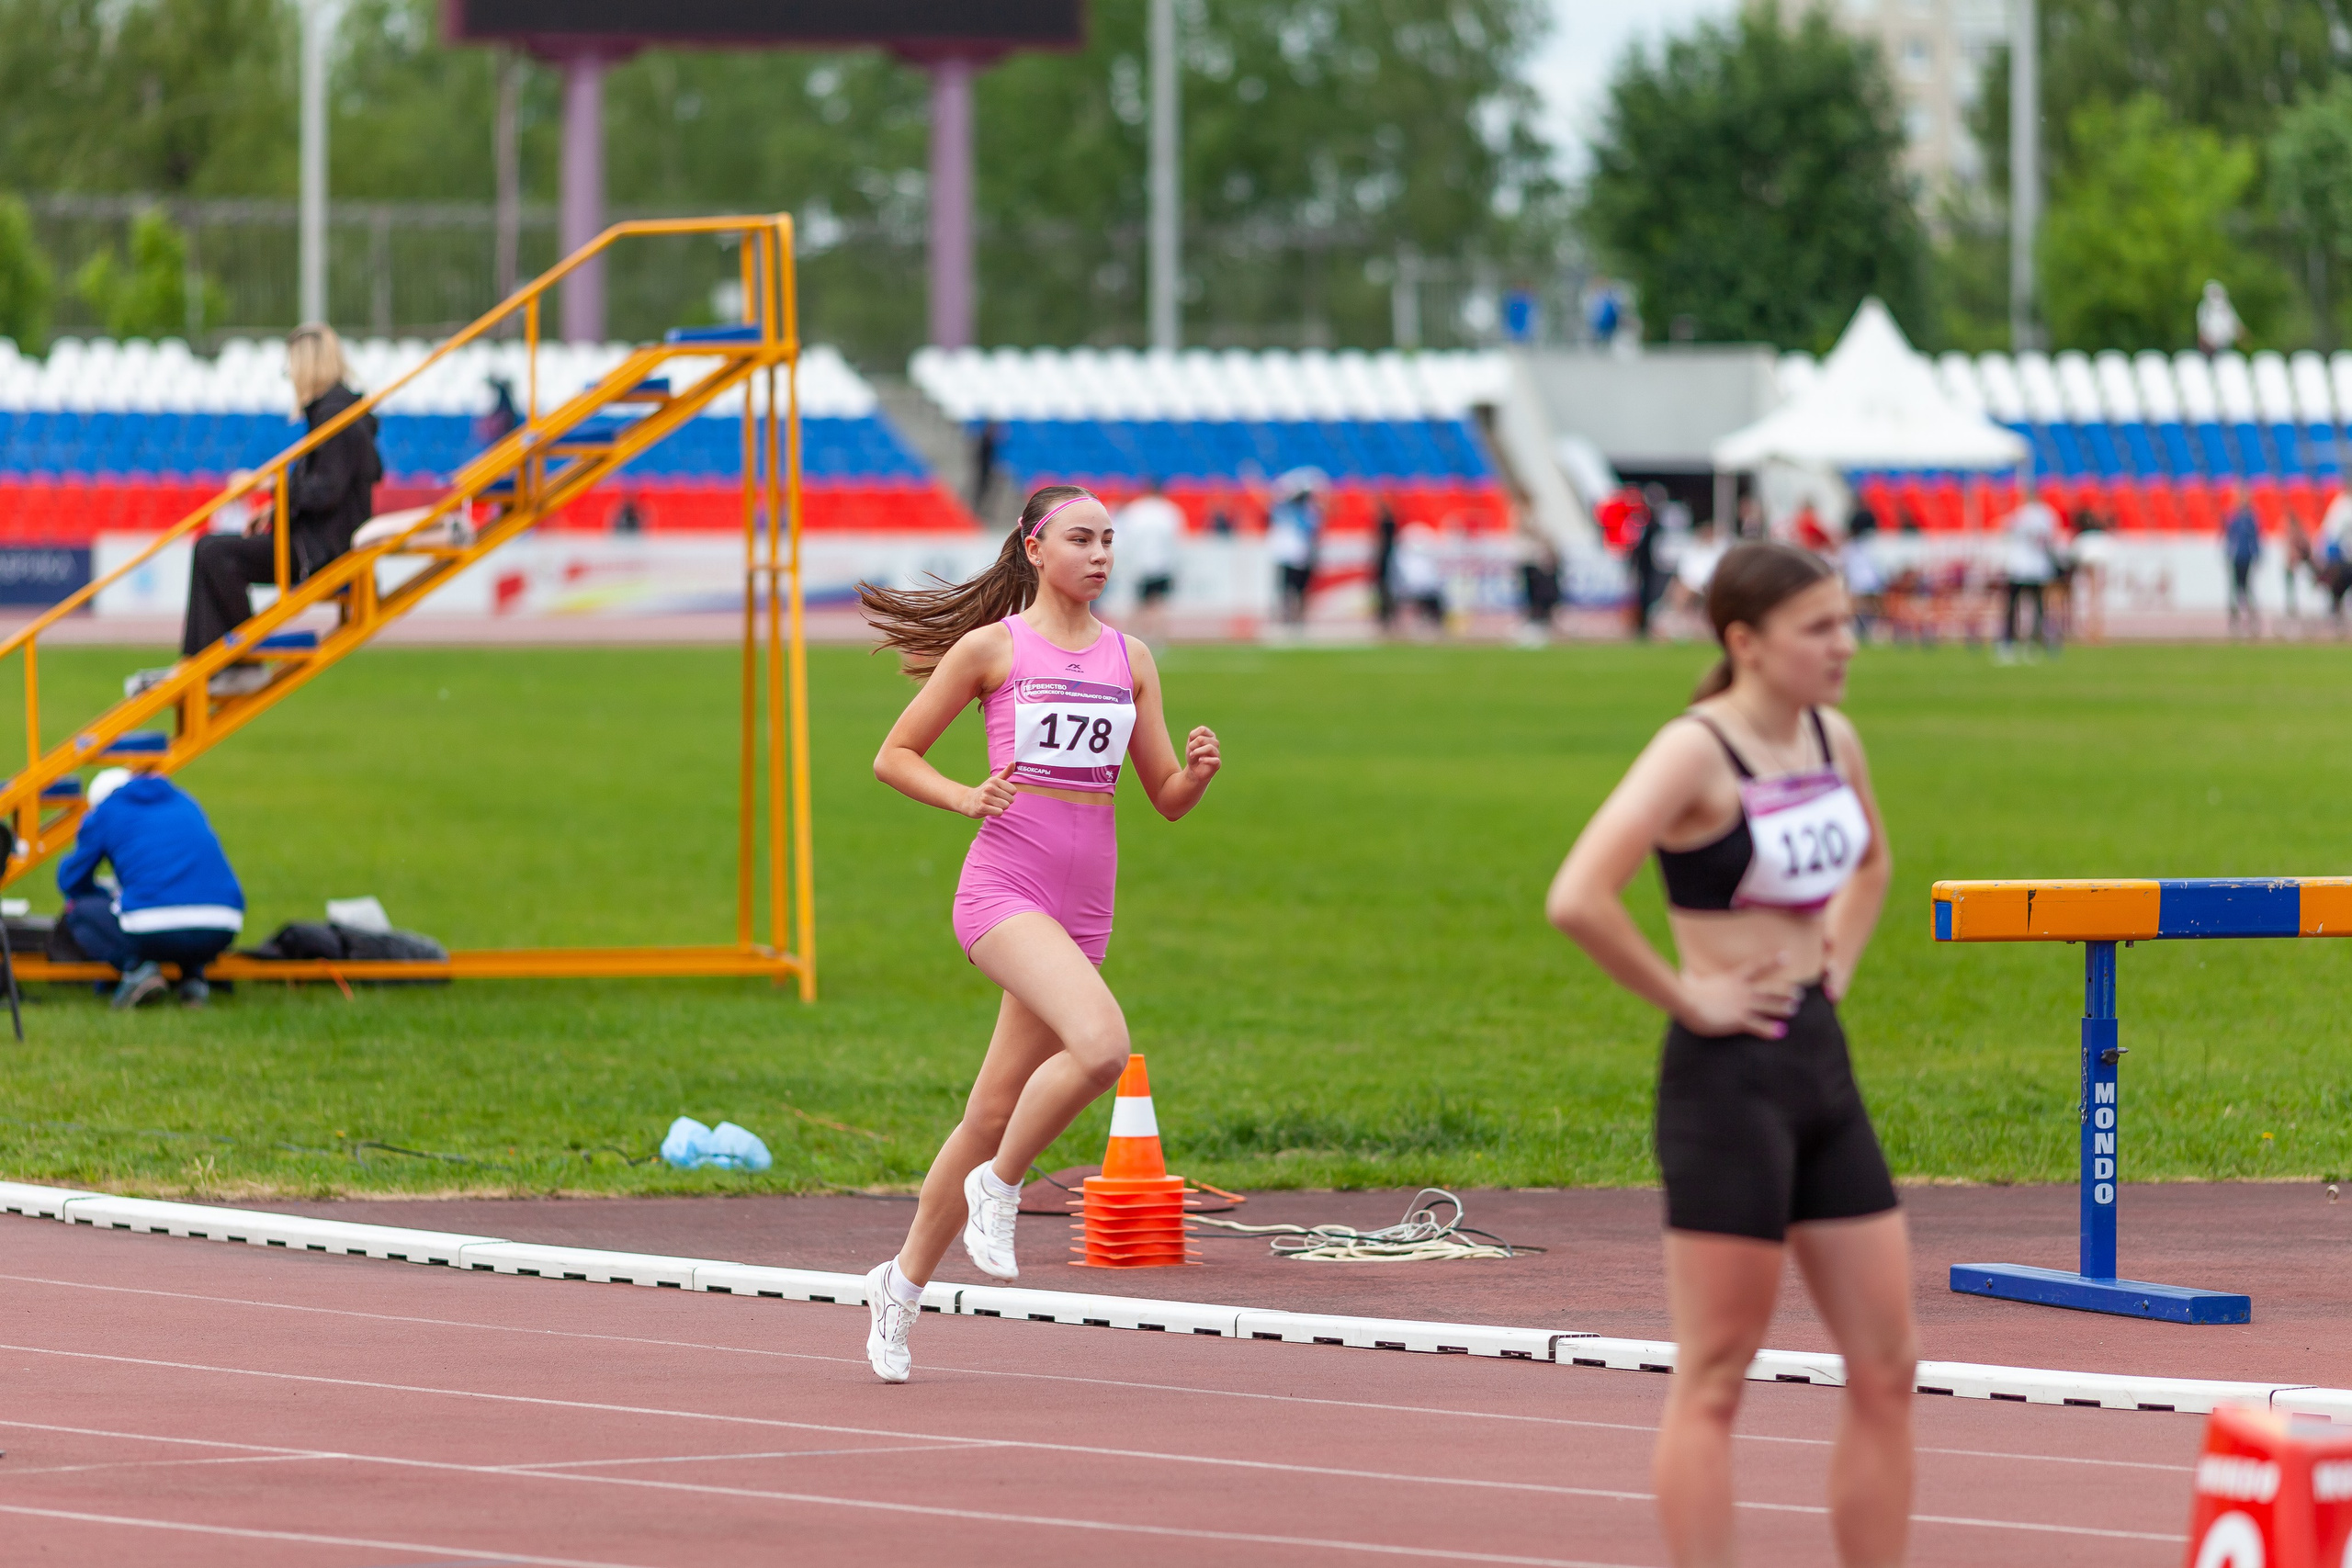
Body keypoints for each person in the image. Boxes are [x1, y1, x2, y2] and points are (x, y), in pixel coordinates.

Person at [1545, 542, 1910, 1568]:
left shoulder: (1833, 736)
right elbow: (1577, 895)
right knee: (1715, 1377)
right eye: (1819, 627)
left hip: (1819, 1062)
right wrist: (1688, 995)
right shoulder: (1694, 750)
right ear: (1745, 641)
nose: (1845, 644)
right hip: (1728, 1079)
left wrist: (1835, 962)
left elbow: (1873, 861)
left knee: (1888, 1366)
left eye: (1846, 621)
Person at [851, 485, 1223, 1383]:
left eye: (1109, 541)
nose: (1100, 555)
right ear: (1034, 548)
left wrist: (1198, 774)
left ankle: (898, 1288)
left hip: (1085, 908)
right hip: (1004, 891)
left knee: (987, 1114)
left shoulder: (1131, 658)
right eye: (1081, 539)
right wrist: (963, 796)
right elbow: (893, 755)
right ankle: (1000, 1185)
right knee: (1103, 1046)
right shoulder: (994, 648)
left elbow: (1165, 798)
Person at [177, 323, 381, 695]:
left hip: (322, 549)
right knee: (211, 551)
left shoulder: (335, 415)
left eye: (291, 367)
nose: (290, 378)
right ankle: (203, 664)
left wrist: (268, 485)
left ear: (308, 366)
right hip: (319, 541)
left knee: (214, 552)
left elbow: (326, 490)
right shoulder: (339, 412)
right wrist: (276, 509)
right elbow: (328, 485)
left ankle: (239, 662)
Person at [57, 767, 245, 1010]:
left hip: (154, 928)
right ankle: (193, 978)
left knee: (79, 911)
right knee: (176, 911)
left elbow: (71, 880)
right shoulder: (184, 801)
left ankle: (138, 971)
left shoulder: (107, 810)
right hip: (222, 925)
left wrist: (103, 893)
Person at [1113, 479, 1184, 646]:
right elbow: (1176, 541)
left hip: (1140, 565)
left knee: (1138, 604)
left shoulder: (1135, 510)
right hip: (1162, 565)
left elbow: (1124, 539)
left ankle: (1131, 638)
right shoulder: (1170, 511)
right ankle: (1157, 639)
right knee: (1158, 603)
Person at [1999, 489, 2060, 660]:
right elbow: (2050, 540)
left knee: (2013, 606)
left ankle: (2008, 642)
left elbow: (2006, 530)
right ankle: (2034, 642)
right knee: (2038, 606)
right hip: (2037, 568)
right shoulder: (2047, 515)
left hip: (2019, 567)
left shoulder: (2022, 514)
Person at [1267, 468, 1326, 629]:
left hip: (1302, 556)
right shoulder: (1284, 510)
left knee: (1300, 589)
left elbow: (1313, 532)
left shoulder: (1310, 512)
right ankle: (1287, 615)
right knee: (1286, 588)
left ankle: (1298, 616)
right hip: (1287, 556)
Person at [2223, 483, 2262, 637]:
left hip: (2246, 558)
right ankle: (2235, 619)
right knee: (2234, 589)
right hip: (2236, 558)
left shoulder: (2250, 518)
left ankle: (2251, 619)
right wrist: (2228, 554)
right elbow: (2229, 537)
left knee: (2247, 589)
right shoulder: (2233, 516)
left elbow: (2255, 539)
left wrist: (2257, 555)